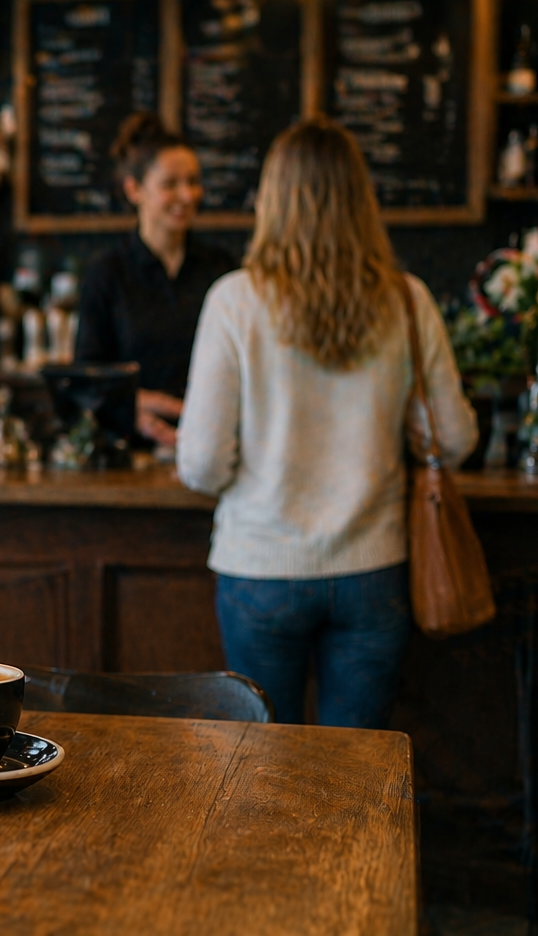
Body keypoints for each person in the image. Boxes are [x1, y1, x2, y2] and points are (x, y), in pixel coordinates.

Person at [176, 118, 476, 728]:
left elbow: (202, 463)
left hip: (260, 567)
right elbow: (455, 438)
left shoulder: (235, 300)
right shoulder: (406, 299)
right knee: (353, 776)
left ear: (272, 199)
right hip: (372, 569)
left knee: (262, 772)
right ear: (361, 200)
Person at [74, 112, 237, 447]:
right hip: (133, 454)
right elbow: (86, 381)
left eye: (193, 182)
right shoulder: (107, 275)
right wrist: (134, 404)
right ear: (134, 190)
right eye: (170, 184)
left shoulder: (222, 271)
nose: (187, 196)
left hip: (211, 449)